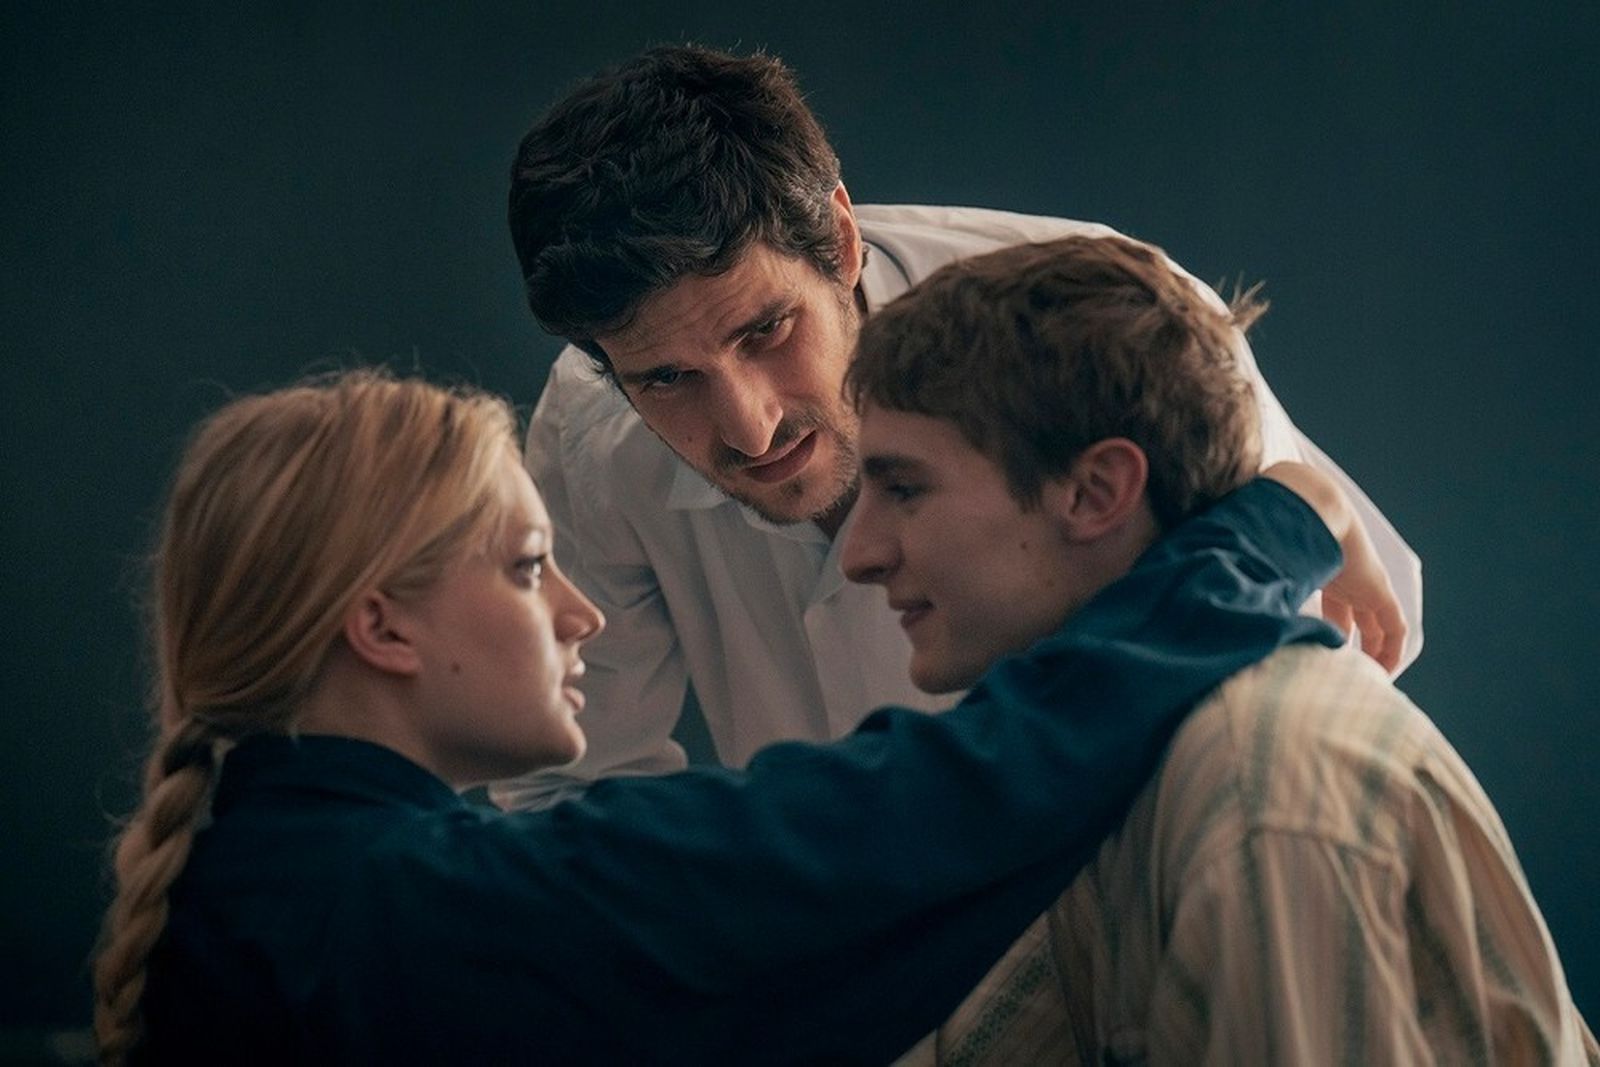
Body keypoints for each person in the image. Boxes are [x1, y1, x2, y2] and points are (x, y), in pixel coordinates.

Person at [93, 369, 1389, 1064]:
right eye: (530, 566)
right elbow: (950, 790)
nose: (581, 614)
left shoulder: (259, 880)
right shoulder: (420, 904)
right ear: (381, 627)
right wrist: (1281, 519)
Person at [496, 43, 1423, 810]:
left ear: (841, 240)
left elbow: (1286, 687)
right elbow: (569, 788)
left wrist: (1296, 508)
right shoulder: (589, 430)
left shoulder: (1101, 318)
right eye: (667, 379)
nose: (749, 427)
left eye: (767, 330)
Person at [839, 235, 1598, 1064]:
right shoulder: (1129, 756)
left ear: (1095, 492)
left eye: (904, 488)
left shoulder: (1257, 791)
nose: (858, 554)